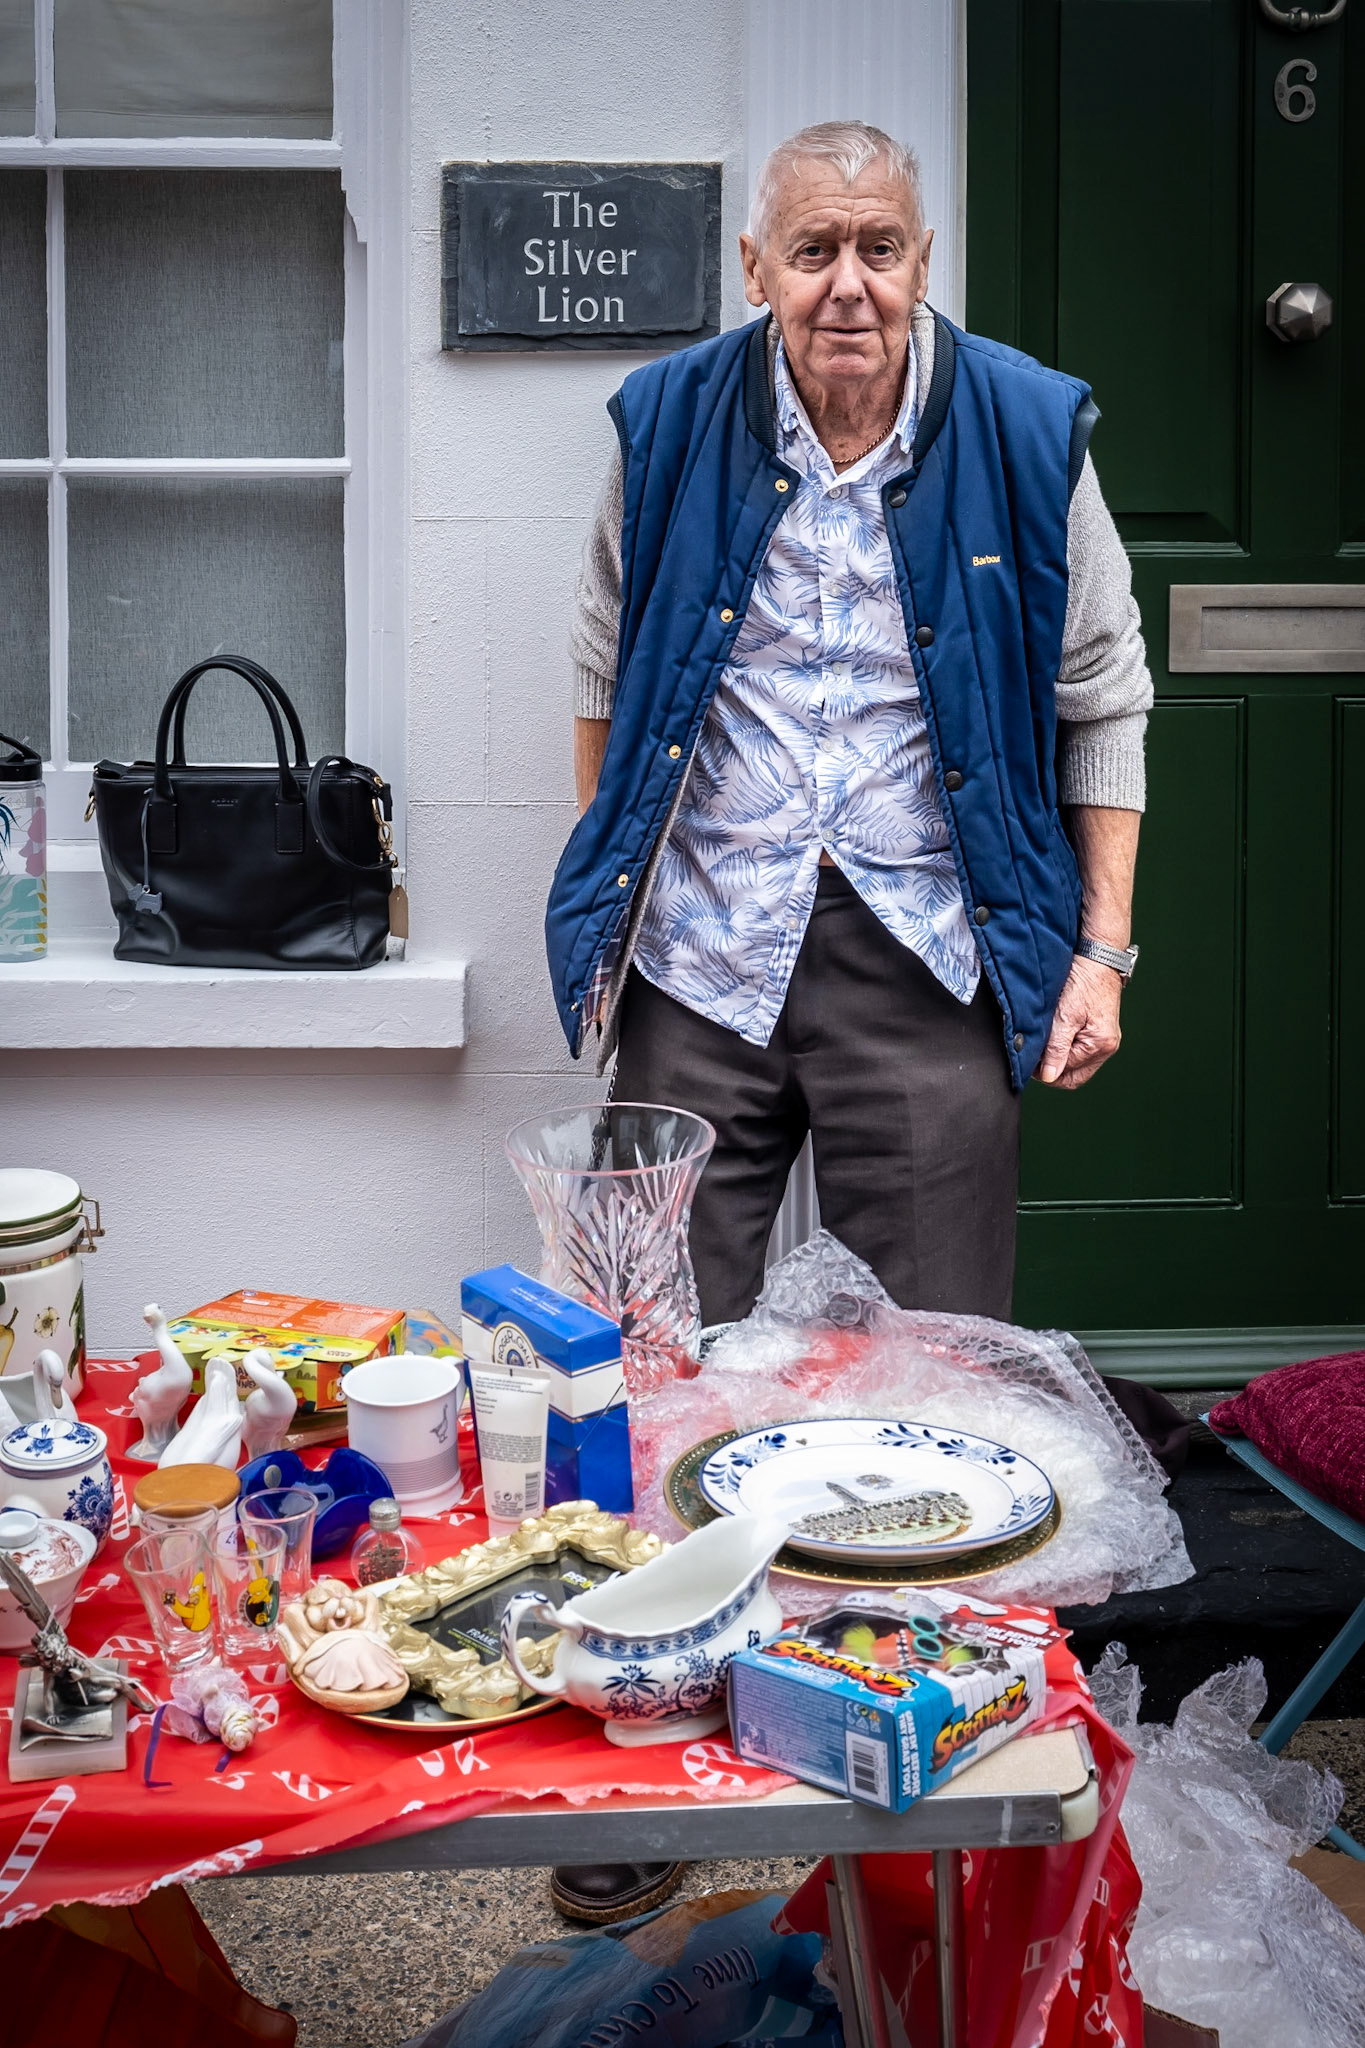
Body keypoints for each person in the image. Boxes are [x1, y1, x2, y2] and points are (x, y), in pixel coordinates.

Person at [542, 119, 1150, 1922]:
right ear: (753, 270)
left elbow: (1103, 697)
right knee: (651, 1381)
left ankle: (923, 1804)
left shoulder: (1031, 431)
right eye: (813, 251)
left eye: (880, 247)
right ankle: (644, 1781)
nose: (850, 287)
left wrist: (1101, 950)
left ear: (926, 254)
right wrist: (610, 910)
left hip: (926, 957)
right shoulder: (668, 424)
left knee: (944, 1388)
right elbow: (600, 659)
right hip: (703, 962)